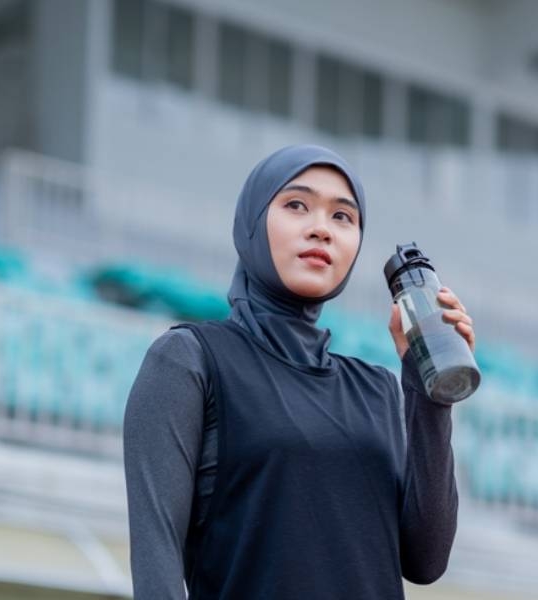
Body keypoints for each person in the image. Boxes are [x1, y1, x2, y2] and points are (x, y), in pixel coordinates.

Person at [122, 144, 471, 598]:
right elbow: (156, 564)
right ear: (251, 221)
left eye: (343, 217)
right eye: (296, 205)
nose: (321, 229)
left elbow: (426, 560)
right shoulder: (189, 360)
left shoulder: (378, 389)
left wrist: (431, 392)